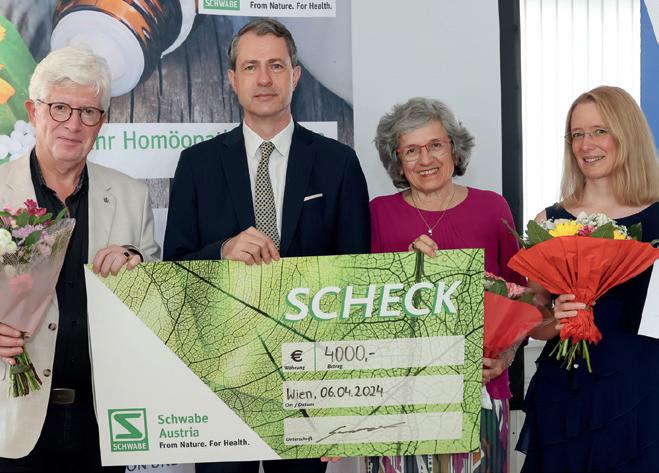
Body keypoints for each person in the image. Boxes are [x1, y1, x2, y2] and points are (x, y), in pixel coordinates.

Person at [163, 18, 370, 473]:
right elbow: (174, 270)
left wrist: (345, 399)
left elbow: (357, 279)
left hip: (309, 378)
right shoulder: (197, 164)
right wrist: (221, 252)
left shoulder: (338, 163)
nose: (263, 79)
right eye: (250, 67)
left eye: (276, 66)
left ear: (295, 75)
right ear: (231, 79)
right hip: (223, 372)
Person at [0, 47, 160, 471]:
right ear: (33, 111)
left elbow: (156, 305)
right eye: (60, 108)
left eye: (88, 112)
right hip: (11, 423)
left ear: (102, 122)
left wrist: (137, 267)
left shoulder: (132, 196)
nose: (73, 124)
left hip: (104, 425)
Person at [367, 97, 524, 473]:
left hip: (481, 390)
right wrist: (404, 272)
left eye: (435, 145)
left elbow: (523, 298)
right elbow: (362, 306)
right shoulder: (378, 213)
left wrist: (506, 356)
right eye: (411, 150)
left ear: (454, 148)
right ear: (397, 160)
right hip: (399, 396)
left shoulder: (492, 209)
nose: (425, 159)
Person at [516, 86, 659, 472]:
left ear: (626, 135)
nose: (586, 144)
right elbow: (535, 322)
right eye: (577, 134)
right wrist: (556, 319)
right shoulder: (549, 221)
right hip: (568, 393)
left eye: (599, 131)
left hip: (643, 394)